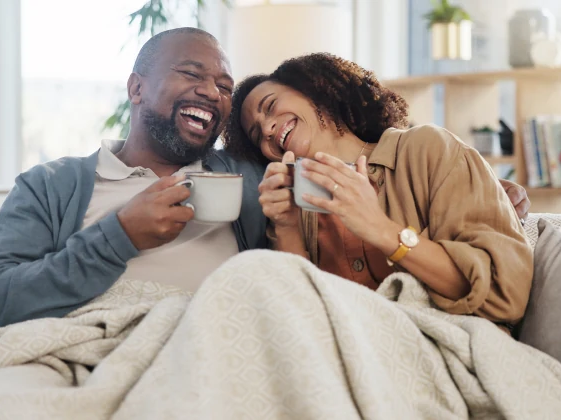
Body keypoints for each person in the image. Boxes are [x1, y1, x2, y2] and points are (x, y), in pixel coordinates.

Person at [0, 28, 531, 335]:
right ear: (136, 88)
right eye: (192, 74)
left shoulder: (248, 177)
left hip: (207, 342)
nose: (213, 92)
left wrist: (494, 193)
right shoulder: (50, 184)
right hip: (85, 339)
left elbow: (297, 287)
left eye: (224, 86)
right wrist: (118, 235)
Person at [225, 53, 532, 329]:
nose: (266, 129)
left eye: (270, 106)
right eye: (257, 134)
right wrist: (287, 226)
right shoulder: (295, 208)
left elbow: (505, 295)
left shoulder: (426, 149)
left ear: (314, 89)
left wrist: (381, 230)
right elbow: (295, 321)